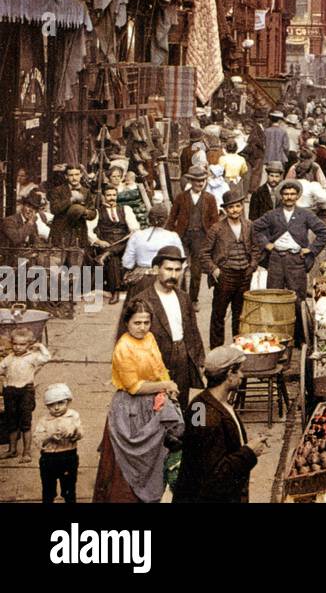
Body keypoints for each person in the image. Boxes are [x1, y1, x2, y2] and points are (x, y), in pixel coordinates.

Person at [93, 299, 185, 503]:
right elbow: (134, 387)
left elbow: (160, 368)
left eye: (146, 322)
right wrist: (164, 386)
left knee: (156, 457)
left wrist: (169, 385)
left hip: (153, 403)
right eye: (137, 323)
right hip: (129, 409)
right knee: (128, 465)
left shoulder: (150, 338)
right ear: (127, 322)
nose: (142, 328)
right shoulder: (123, 348)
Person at [173, 346, 270, 503]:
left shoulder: (200, 403)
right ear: (229, 374)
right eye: (239, 371)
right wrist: (249, 452)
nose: (242, 375)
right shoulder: (209, 416)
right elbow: (215, 474)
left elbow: (203, 450)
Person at [115, 245, 205, 405]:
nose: (173, 275)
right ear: (156, 269)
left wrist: (200, 361)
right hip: (154, 362)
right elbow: (124, 338)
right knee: (155, 411)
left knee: (180, 408)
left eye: (178, 270)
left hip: (182, 359)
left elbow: (192, 331)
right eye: (168, 269)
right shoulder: (142, 301)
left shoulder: (184, 298)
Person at [251, 179, 326, 340]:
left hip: (296, 261)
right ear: (281, 196)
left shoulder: (305, 215)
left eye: (292, 194)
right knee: (275, 297)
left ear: (297, 196)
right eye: (286, 194)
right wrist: (267, 244)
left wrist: (311, 249)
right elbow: (255, 228)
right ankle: (278, 336)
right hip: (276, 260)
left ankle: (299, 337)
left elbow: (324, 232)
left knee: (297, 298)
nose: (289, 197)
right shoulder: (272, 215)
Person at [198, 186, 256, 349]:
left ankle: (238, 348)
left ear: (242, 206)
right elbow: (204, 253)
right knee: (219, 314)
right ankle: (216, 350)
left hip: (244, 275)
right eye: (230, 207)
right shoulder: (216, 228)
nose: (235, 210)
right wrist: (214, 270)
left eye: (237, 206)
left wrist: (252, 267)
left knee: (240, 314)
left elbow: (256, 249)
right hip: (225, 276)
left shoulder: (249, 225)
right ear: (225, 209)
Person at [167, 163, 220, 305]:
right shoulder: (181, 197)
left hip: (201, 238)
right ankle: (180, 296)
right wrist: (168, 235)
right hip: (183, 236)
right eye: (197, 181)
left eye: (203, 181)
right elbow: (172, 217)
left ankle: (193, 300)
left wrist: (214, 238)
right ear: (190, 181)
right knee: (180, 267)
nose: (200, 183)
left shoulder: (210, 198)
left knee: (196, 271)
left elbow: (215, 221)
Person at [0, 328, 51, 460]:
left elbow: (46, 358)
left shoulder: (32, 358)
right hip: (10, 391)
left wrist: (40, 346)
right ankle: (12, 450)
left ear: (29, 345)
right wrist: (4, 380)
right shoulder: (9, 358)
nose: (18, 347)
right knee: (11, 421)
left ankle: (26, 452)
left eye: (22, 344)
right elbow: (1, 369)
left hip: (25, 392)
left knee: (25, 422)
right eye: (15, 344)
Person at [87, 183, 138, 305]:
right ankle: (115, 292)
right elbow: (88, 230)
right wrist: (98, 241)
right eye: (109, 195)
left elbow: (135, 229)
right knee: (113, 257)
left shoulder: (125, 209)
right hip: (106, 243)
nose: (112, 197)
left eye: (114, 195)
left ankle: (107, 254)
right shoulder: (98, 212)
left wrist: (129, 238)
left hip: (123, 242)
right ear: (104, 197)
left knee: (129, 241)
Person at [33, 383, 81, 504]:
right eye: (51, 405)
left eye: (60, 403)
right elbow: (37, 439)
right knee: (48, 491)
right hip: (49, 459)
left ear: (68, 402)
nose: (56, 408)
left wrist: (73, 433)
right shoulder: (44, 420)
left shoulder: (73, 416)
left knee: (69, 489)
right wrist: (49, 436)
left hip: (68, 456)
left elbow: (80, 432)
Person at [48, 163, 93, 268]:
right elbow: (54, 209)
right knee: (55, 270)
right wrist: (70, 200)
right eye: (71, 175)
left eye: (77, 174)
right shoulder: (57, 190)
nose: (74, 178)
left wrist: (85, 212)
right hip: (60, 234)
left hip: (78, 235)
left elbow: (93, 212)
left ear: (81, 175)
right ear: (66, 176)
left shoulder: (86, 192)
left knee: (75, 270)